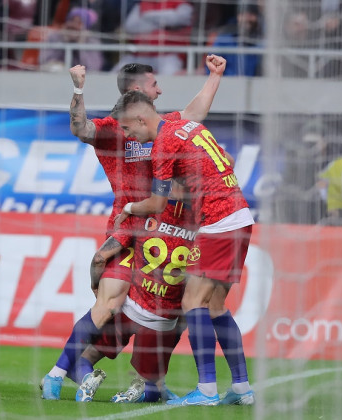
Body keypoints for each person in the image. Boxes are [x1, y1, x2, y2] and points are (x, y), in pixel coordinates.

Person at [40, 55, 226, 401]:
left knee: (172, 312)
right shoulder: (114, 128)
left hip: (168, 230)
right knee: (110, 303)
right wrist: (78, 88)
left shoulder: (162, 126)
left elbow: (194, 113)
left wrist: (215, 76)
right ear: (139, 90)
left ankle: (149, 382)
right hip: (128, 228)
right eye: (155, 84)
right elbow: (81, 128)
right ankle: (60, 372)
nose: (161, 88)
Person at [112, 90, 255, 406]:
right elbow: (223, 154)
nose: (128, 134)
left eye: (127, 127)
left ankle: (206, 390)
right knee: (216, 306)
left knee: (193, 302)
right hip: (240, 215)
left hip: (219, 220)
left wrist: (130, 208)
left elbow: (158, 203)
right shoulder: (183, 124)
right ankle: (242, 388)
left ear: (139, 118)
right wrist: (215, 79)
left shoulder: (162, 145)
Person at [74, 194, 196, 403]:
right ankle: (141, 390)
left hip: (127, 307)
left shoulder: (144, 212)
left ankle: (88, 378)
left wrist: (96, 286)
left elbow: (99, 258)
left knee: (84, 358)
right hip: (162, 320)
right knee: (152, 383)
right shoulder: (203, 225)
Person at [114, 0, 193, 76]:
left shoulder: (181, 3)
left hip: (168, 54)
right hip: (140, 54)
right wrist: (161, 24)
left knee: (169, 74)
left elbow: (178, 19)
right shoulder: (142, 4)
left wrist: (148, 16)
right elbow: (130, 27)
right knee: (117, 72)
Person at [40, 7, 103, 72]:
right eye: (71, 20)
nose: (73, 25)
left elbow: (93, 67)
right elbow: (44, 61)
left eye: (79, 22)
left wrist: (79, 46)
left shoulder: (92, 41)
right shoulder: (54, 37)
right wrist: (63, 43)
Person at [208, 3, 262, 76]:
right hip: (225, 84)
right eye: (243, 14)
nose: (247, 18)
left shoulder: (261, 43)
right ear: (238, 16)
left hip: (254, 85)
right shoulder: (224, 41)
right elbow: (211, 68)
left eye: (251, 14)